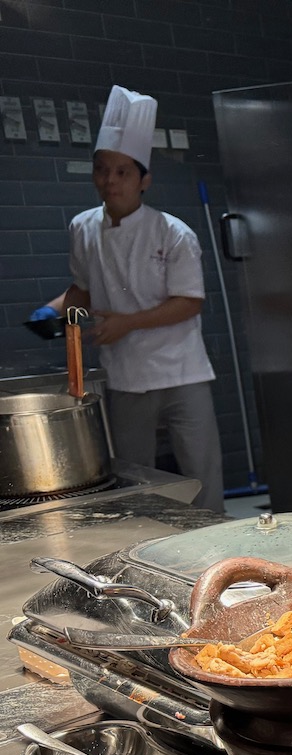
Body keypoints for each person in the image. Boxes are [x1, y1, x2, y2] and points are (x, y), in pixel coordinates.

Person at [33, 85, 224, 513]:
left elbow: (189, 302)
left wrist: (126, 322)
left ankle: (216, 540)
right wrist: (56, 312)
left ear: (144, 180)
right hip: (125, 372)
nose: (111, 181)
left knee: (201, 468)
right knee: (136, 473)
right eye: (103, 170)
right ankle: (146, 542)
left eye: (123, 172)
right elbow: (83, 288)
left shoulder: (173, 232)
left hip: (182, 370)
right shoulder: (83, 227)